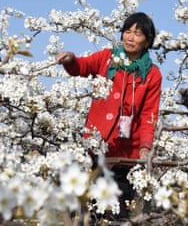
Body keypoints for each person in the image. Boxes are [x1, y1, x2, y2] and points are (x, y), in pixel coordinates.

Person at [56, 12, 162, 221]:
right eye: (127, 31)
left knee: (117, 211)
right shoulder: (106, 59)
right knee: (89, 209)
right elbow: (82, 66)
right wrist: (69, 60)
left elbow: (150, 113)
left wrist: (145, 146)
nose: (130, 37)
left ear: (147, 41)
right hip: (95, 147)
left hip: (125, 155)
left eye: (138, 34)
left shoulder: (151, 74)